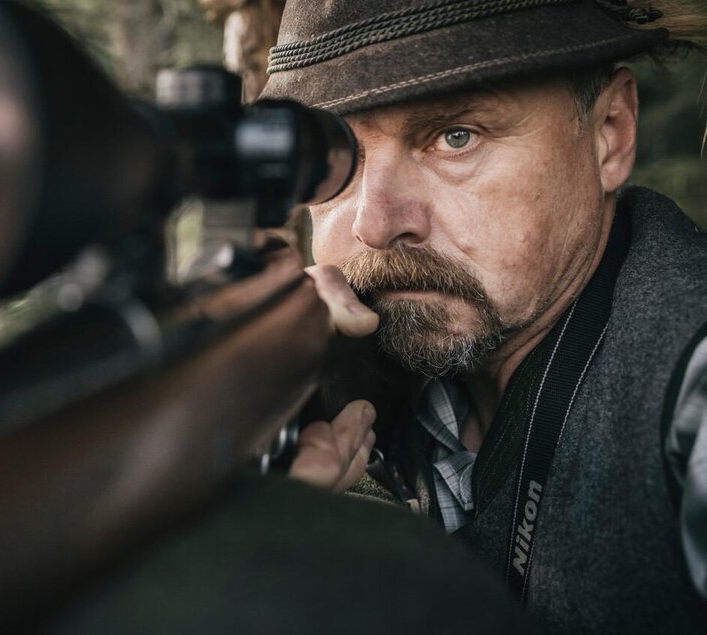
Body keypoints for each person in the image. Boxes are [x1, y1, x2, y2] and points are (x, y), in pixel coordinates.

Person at [256, 0, 707, 632]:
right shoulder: (328, 390)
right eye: (335, 159)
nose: (376, 225)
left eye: (455, 137)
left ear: (611, 131)